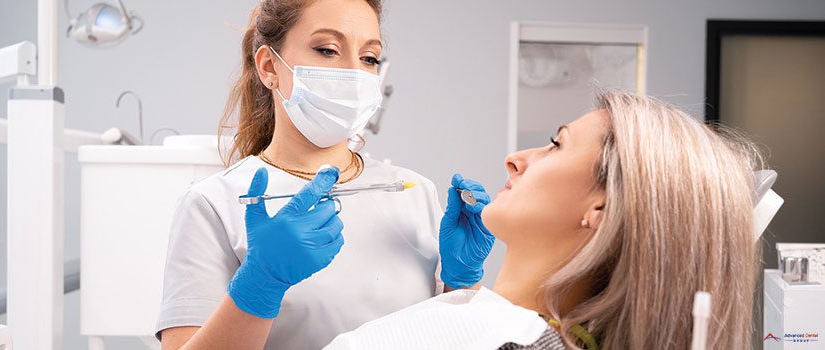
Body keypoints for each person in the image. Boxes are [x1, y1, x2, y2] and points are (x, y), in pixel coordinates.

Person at [156, 0, 494, 348]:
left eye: (369, 58)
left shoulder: (413, 192)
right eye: (328, 50)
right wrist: (260, 284)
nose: (353, 73)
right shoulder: (215, 203)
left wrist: (461, 284)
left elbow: (450, 338)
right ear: (269, 66)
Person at [324, 91, 759, 349]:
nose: (514, 160)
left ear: (602, 211)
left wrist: (259, 291)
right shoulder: (497, 325)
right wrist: (461, 289)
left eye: (556, 145)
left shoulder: (508, 339)